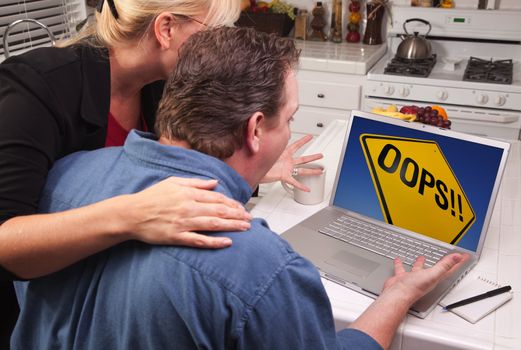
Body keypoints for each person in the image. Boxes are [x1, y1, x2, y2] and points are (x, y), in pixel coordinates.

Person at [12, 27, 468, 350]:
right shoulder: (261, 268)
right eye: (289, 119)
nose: (289, 130)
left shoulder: (65, 177)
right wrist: (397, 296)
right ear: (254, 130)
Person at [0, 0, 321, 343]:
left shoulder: (162, 84)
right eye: (213, 31)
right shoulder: (36, 88)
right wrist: (133, 214)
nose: (220, 45)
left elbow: (178, 157)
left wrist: (253, 164)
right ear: (166, 28)